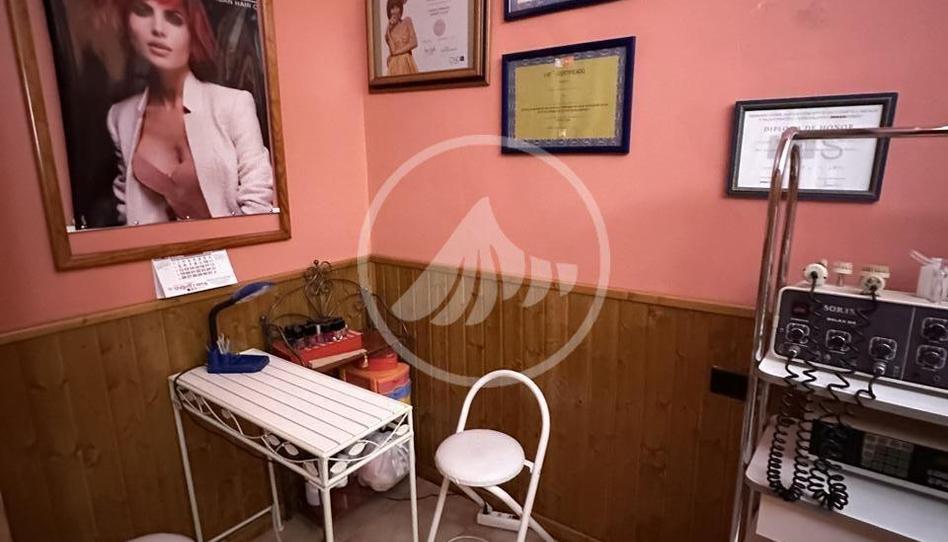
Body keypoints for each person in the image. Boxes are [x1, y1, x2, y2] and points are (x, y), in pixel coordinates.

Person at [108, 0, 274, 225]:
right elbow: (126, 207)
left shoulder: (233, 104)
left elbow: (259, 202)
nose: (158, 29)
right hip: (156, 247)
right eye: (143, 12)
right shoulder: (120, 117)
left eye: (174, 18)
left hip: (231, 244)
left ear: (194, 32)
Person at [385, 0, 418, 76]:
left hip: (407, 61)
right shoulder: (389, 31)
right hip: (394, 65)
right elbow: (392, 50)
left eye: (397, 7)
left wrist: (397, 52)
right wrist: (388, 29)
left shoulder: (407, 21)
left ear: (401, 8)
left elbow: (414, 42)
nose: (395, 11)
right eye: (392, 8)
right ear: (389, 11)